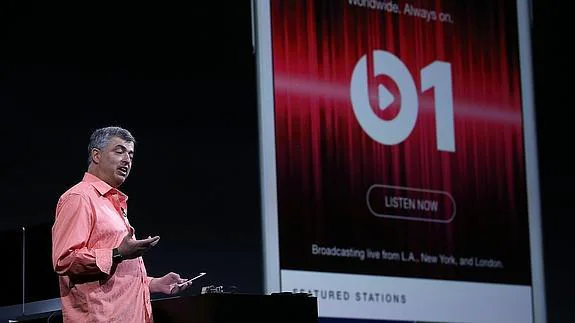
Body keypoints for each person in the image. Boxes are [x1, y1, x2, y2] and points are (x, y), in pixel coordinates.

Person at [51, 126, 192, 322]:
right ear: (96, 155)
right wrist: (118, 253)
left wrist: (153, 284)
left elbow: (116, 277)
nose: (127, 160)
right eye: (119, 151)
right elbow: (64, 260)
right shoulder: (79, 197)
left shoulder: (113, 204)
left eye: (131, 155)